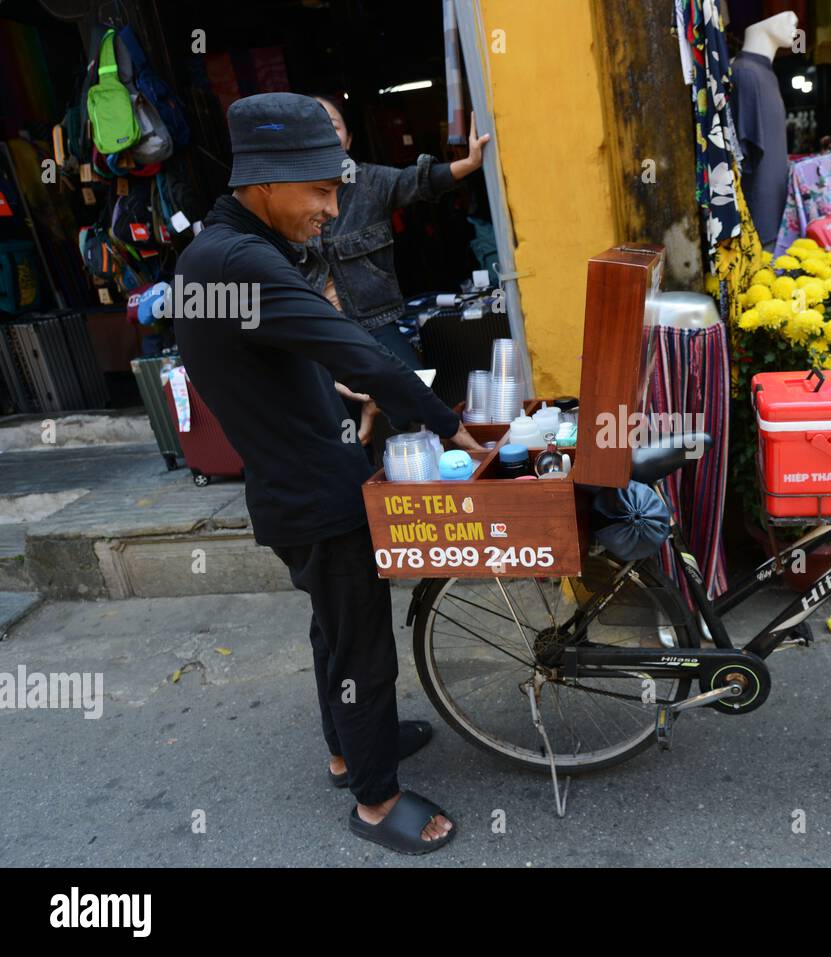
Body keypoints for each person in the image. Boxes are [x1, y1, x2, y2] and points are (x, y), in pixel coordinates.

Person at [174, 92, 475, 853]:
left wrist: (329, 391)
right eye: (321, 189)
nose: (333, 207)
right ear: (268, 183)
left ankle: (348, 749)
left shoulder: (215, 253)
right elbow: (361, 350)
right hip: (317, 495)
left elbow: (256, 361)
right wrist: (452, 427)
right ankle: (376, 801)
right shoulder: (241, 260)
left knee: (333, 636)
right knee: (362, 646)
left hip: (291, 482)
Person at [303, 94, 490, 451]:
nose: (325, 134)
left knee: (414, 390)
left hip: (375, 320)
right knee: (331, 415)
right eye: (313, 128)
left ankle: (420, 468)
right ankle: (360, 475)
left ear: (349, 139)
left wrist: (469, 163)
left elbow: (419, 182)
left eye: (333, 125)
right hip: (321, 328)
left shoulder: (371, 183)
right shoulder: (290, 196)